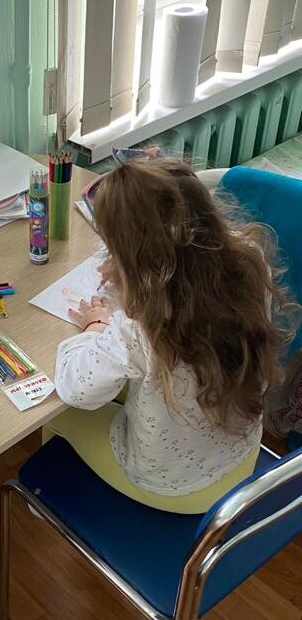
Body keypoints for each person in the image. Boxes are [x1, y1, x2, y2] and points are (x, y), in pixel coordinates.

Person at [49, 156, 290, 514]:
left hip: (170, 485)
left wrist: (95, 327)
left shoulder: (140, 326)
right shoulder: (250, 264)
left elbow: (75, 388)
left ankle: (45, 503)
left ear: (138, 261)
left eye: (114, 251)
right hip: (240, 456)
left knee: (57, 412)